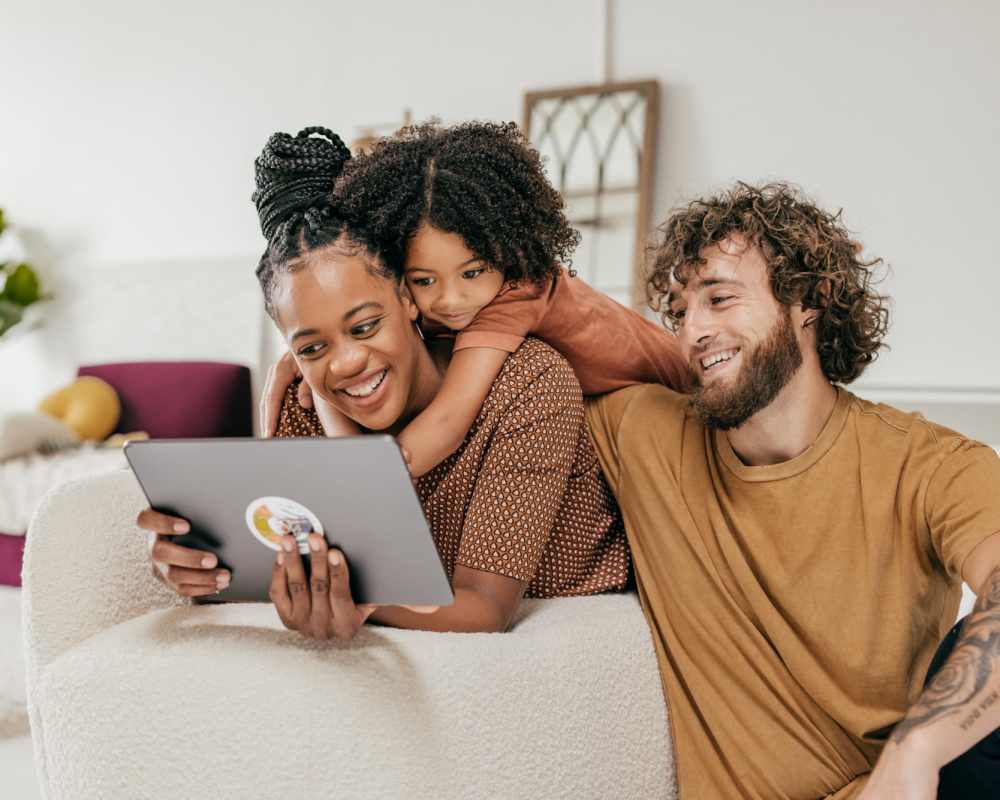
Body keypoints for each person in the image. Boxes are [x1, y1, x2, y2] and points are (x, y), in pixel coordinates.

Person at [585, 181, 1000, 798]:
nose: (693, 331)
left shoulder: (927, 464)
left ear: (810, 299)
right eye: (678, 312)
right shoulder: (645, 435)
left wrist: (917, 753)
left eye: (719, 299)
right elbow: (532, 307)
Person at [137, 127, 629, 639]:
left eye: (365, 327)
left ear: (409, 297)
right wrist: (205, 570)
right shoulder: (304, 405)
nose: (346, 363)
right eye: (311, 347)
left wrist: (359, 603)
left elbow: (484, 609)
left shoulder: (528, 383)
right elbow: (291, 558)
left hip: (568, 628)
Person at [261, 121, 689, 478]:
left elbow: (444, 427)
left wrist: (356, 481)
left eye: (472, 272)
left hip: (684, 394)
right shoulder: (464, 301)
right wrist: (304, 360)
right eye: (423, 280)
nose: (450, 300)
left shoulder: (514, 295)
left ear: (510, 251)